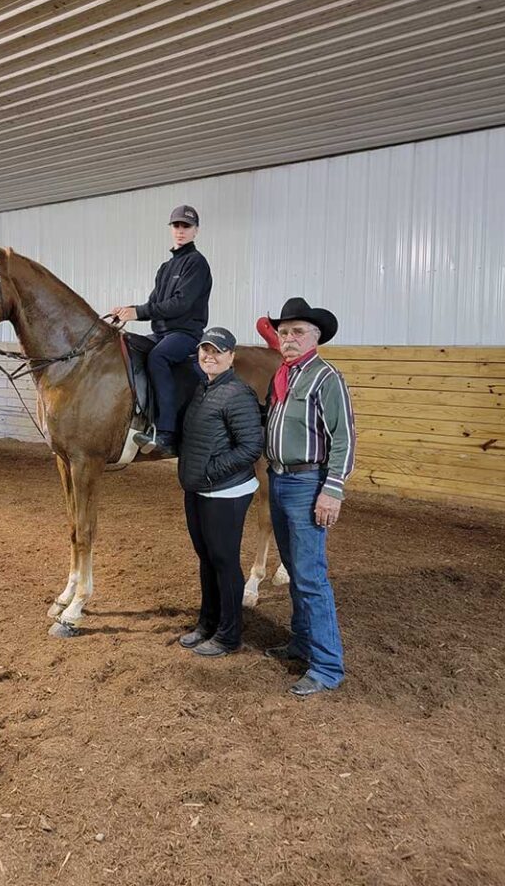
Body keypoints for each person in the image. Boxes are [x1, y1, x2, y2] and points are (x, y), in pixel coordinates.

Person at [256, 298, 355, 697]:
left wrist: (332, 490)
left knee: (311, 575)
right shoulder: (283, 376)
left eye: (298, 332)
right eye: (284, 332)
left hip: (306, 484)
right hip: (279, 481)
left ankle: (328, 665)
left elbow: (344, 438)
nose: (290, 338)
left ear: (315, 337)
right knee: (295, 568)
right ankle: (301, 641)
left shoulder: (326, 377)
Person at [176, 327, 263, 657]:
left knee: (224, 561)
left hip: (225, 491)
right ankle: (207, 623)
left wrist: (211, 471)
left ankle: (229, 634)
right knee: (207, 558)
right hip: (198, 489)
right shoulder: (203, 388)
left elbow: (251, 445)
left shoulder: (237, 393)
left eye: (217, 351)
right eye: (205, 350)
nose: (209, 356)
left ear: (231, 356)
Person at [112, 205, 212, 458]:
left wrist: (138, 312)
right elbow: (154, 302)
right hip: (162, 333)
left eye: (186, 227)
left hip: (185, 333)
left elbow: (181, 304)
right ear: (171, 229)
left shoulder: (197, 263)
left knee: (159, 357)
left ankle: (165, 432)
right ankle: (139, 419)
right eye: (176, 226)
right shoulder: (165, 267)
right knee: (129, 347)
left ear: (195, 231)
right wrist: (129, 309)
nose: (180, 231)